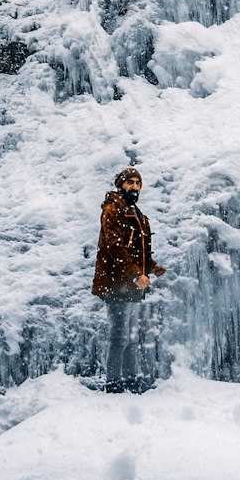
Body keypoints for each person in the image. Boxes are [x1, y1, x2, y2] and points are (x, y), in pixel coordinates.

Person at [91, 166, 166, 392]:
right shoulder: (113, 209)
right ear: (120, 185)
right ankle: (113, 383)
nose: (134, 187)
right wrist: (136, 275)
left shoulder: (136, 213)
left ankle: (132, 380)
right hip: (117, 283)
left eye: (137, 183)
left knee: (132, 338)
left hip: (131, 285)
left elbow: (138, 251)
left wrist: (152, 267)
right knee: (120, 337)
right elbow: (115, 248)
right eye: (130, 182)